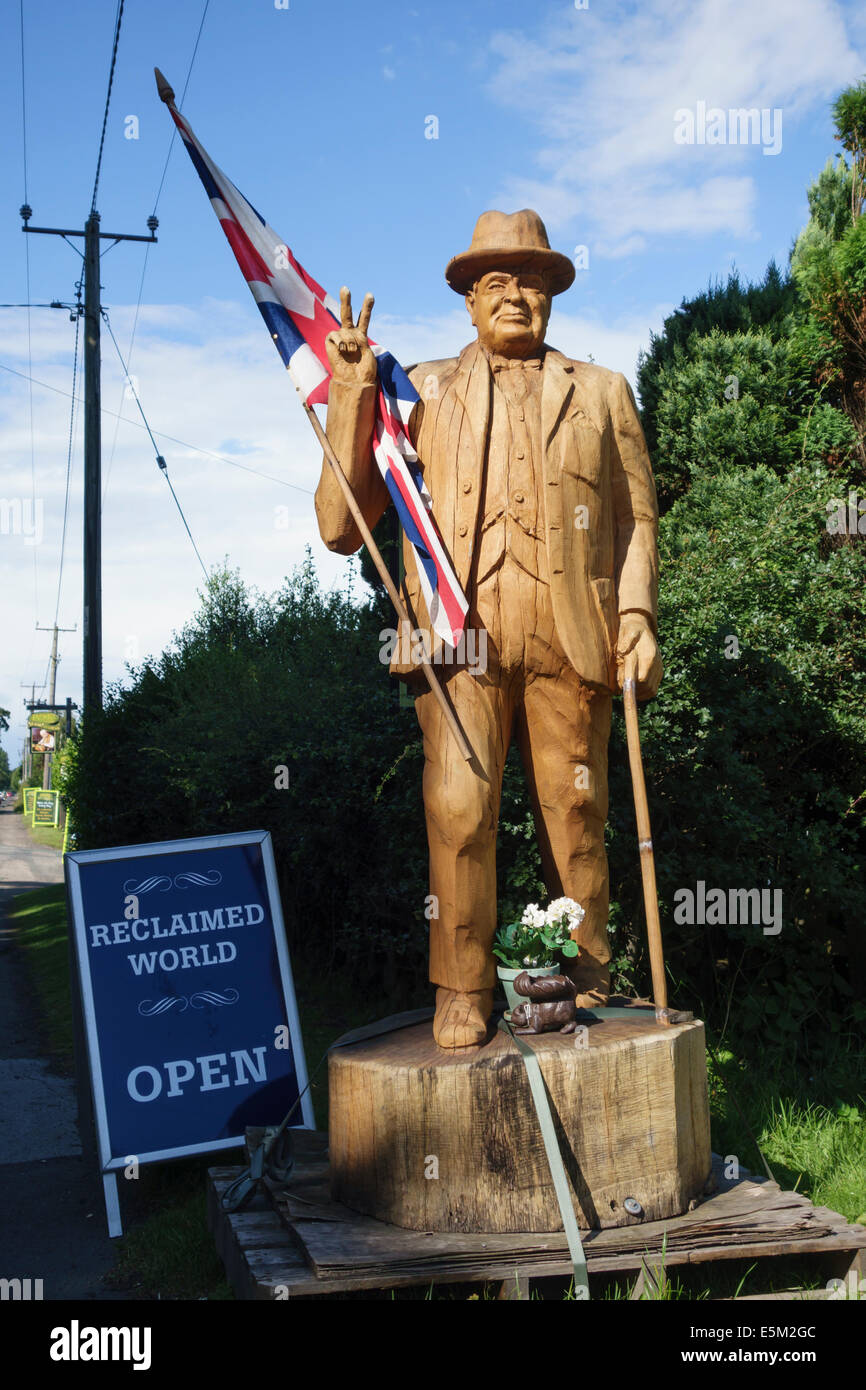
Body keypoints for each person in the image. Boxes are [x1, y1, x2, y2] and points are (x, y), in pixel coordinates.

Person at [316, 209, 661, 1047]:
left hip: (571, 635)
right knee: (459, 811)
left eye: (532, 280)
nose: (516, 295)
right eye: (497, 282)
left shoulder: (604, 390)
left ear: (552, 297)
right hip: (455, 638)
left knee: (575, 817)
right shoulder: (416, 388)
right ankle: (462, 985)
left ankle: (584, 976)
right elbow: (339, 524)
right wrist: (354, 392)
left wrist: (639, 614)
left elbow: (637, 517)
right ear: (468, 302)